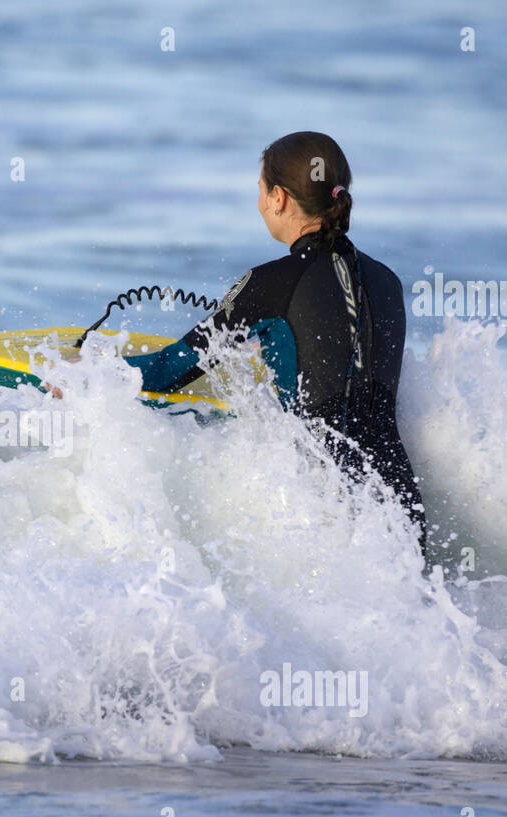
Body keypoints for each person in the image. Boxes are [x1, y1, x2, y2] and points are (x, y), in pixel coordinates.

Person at [122, 131, 426, 551]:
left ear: (279, 197)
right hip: (401, 503)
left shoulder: (268, 283)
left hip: (321, 502)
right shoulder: (388, 282)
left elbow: (168, 371)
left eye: (262, 190)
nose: (261, 202)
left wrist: (90, 375)